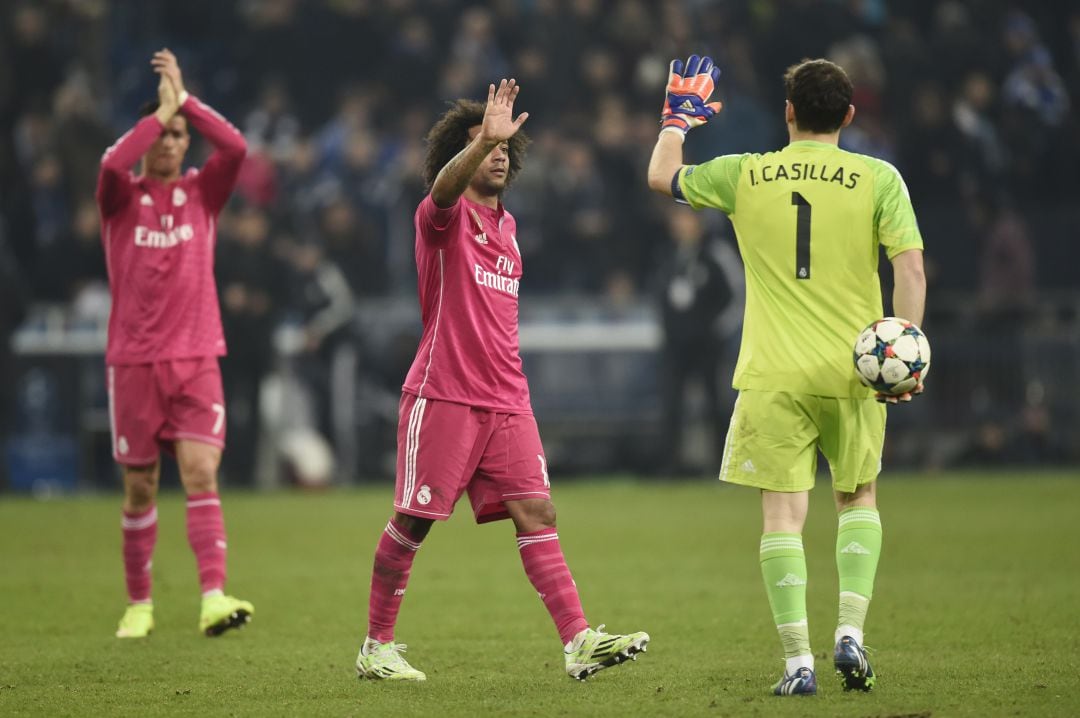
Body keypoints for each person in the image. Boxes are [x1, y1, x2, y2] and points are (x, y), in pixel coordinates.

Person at [647, 56, 926, 696]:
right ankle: (850, 635)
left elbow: (661, 175)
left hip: (773, 375)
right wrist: (905, 353)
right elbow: (909, 272)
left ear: (788, 113)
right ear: (850, 116)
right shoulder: (879, 178)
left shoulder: (747, 174)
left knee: (782, 519)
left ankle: (799, 663)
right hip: (855, 371)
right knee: (858, 498)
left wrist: (676, 120)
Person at [354, 79, 649, 682]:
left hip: (508, 398)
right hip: (444, 393)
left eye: (504, 144)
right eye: (485, 143)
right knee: (414, 522)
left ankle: (579, 642)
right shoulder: (441, 216)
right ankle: (376, 647)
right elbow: (439, 191)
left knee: (538, 512)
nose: (497, 151)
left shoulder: (511, 232)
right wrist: (481, 133)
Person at [96, 49, 254, 639]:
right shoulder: (120, 199)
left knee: (199, 473)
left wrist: (183, 101)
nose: (168, 141)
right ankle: (139, 604)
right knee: (140, 486)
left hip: (195, 356)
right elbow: (112, 164)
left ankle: (213, 596)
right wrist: (157, 115)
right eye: (161, 134)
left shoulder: (203, 194)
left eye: (178, 134)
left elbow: (235, 148)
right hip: (134, 361)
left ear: (189, 142)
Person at [656, 208, 742, 475]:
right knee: (671, 404)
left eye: (685, 219)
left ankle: (721, 467)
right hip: (676, 346)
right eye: (676, 219)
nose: (679, 225)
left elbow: (738, 296)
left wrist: (715, 332)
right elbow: (659, 295)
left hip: (707, 346)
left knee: (715, 403)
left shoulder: (716, 253)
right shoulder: (669, 255)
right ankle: (670, 467)